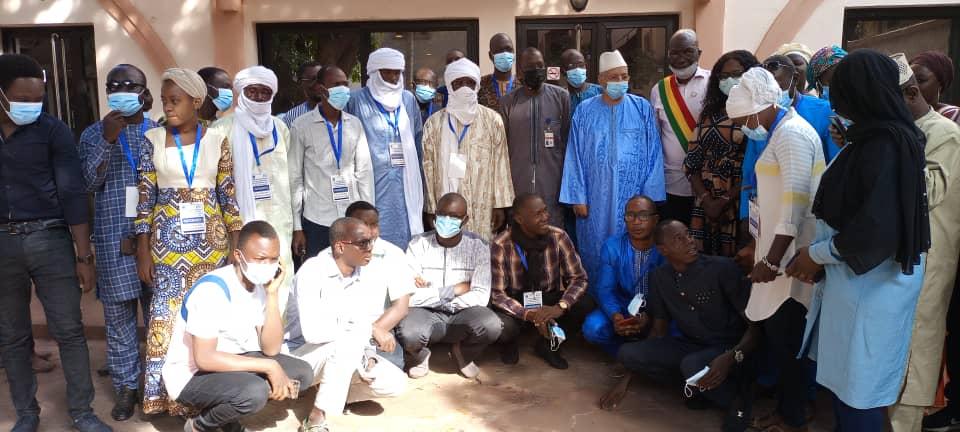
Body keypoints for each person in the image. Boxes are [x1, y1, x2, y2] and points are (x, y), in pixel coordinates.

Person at [786, 49, 930, 431]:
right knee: (847, 388)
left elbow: (876, 228)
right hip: (856, 281)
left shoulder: (885, 145)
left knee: (859, 394)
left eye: (840, 89)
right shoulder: (871, 140)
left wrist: (817, 255)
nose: (833, 100)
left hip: (872, 286)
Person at [0, 53, 112, 432]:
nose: (32, 106)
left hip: (50, 239)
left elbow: (73, 194)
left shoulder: (54, 131)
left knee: (69, 330)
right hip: (2, 246)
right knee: (13, 337)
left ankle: (83, 412)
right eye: (23, 99)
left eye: (38, 99)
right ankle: (27, 414)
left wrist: (84, 256)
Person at [136, 67, 244, 415]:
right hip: (166, 247)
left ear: (196, 102)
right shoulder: (151, 140)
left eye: (175, 100)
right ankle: (166, 398)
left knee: (207, 319)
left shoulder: (217, 140)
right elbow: (144, 201)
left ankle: (208, 396)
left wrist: (236, 244)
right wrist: (142, 250)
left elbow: (228, 197)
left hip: (212, 246)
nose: (167, 107)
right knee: (166, 318)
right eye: (164, 100)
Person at [727, 66, 823, 432]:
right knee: (779, 340)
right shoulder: (780, 132)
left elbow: (795, 205)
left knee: (788, 343)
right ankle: (785, 411)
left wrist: (770, 260)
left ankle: (793, 418)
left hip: (789, 261)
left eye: (743, 120)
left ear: (759, 108)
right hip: (776, 253)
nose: (743, 127)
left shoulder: (792, 135)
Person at [600, 220, 758, 432]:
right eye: (678, 239)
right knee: (627, 353)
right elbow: (659, 330)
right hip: (691, 346)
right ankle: (700, 388)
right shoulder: (660, 277)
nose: (689, 241)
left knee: (691, 365)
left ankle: (737, 401)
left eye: (688, 235)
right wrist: (626, 379)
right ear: (663, 250)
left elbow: (755, 328)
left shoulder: (722, 268)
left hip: (729, 348)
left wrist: (731, 357)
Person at [163, 221, 313, 432]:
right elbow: (204, 358)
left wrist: (272, 295)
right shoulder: (212, 290)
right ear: (238, 255)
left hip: (234, 360)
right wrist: (269, 367)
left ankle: (228, 416)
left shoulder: (261, 286)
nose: (268, 265)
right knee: (255, 392)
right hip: (192, 375)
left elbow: (271, 349)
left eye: (273, 259)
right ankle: (199, 425)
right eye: (260, 259)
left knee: (302, 373)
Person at [78, 63, 157, 422]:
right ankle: (127, 386)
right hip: (114, 242)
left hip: (155, 242)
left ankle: (158, 385)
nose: (122, 91)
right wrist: (107, 141)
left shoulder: (159, 132)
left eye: (130, 86)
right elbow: (86, 184)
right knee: (119, 318)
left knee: (159, 316)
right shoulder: (93, 134)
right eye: (115, 87)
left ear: (144, 92)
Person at [887, 53, 960, 432]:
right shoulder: (903, 130)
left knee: (918, 343)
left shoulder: (943, 133)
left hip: (929, 260)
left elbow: (926, 192)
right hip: (902, 259)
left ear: (911, 94)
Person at [285, 217, 409, 432]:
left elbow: (360, 321)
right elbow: (314, 333)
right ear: (340, 247)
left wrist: (368, 355)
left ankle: (330, 390)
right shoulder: (312, 272)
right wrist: (370, 330)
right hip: (298, 357)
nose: (370, 248)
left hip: (341, 354)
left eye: (371, 241)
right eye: (363, 243)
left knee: (394, 383)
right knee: (345, 344)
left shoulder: (364, 275)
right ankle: (315, 419)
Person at [560, 49, 665, 283]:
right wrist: (577, 197)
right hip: (595, 198)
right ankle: (597, 297)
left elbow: (654, 153)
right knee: (595, 249)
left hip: (634, 197)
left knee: (634, 248)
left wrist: (649, 198)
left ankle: (636, 298)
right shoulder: (584, 111)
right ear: (601, 80)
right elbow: (574, 154)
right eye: (614, 77)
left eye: (624, 76)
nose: (620, 81)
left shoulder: (642, 108)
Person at [214, 66, 295, 308]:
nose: (259, 97)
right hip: (238, 223)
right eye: (252, 91)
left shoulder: (280, 128)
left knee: (280, 281)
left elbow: (290, 177)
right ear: (241, 92)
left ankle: (277, 327)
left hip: (278, 221)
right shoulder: (221, 129)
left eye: (265, 92)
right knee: (242, 283)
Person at [397, 193, 501, 380]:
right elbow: (409, 296)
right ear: (434, 216)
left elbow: (480, 295)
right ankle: (420, 356)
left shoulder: (479, 246)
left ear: (465, 220)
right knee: (409, 332)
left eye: (454, 216)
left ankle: (463, 353)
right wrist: (452, 291)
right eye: (442, 214)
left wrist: (439, 298)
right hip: (424, 312)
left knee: (491, 325)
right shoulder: (418, 244)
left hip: (462, 312)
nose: (447, 220)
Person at [490, 194, 589, 369]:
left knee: (586, 304)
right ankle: (510, 342)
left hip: (548, 299)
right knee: (502, 325)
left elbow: (579, 278)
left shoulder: (559, 236)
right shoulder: (501, 244)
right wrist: (529, 314)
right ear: (519, 219)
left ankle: (547, 345)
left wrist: (560, 307)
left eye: (545, 211)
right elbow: (498, 294)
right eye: (538, 214)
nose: (546, 217)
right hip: (517, 301)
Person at [421, 58, 514, 240]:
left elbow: (501, 164)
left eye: (470, 83)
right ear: (450, 86)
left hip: (483, 205)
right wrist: (431, 207)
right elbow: (428, 168)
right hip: (446, 204)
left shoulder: (492, 120)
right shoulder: (434, 124)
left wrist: (500, 205)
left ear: (477, 86)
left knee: (482, 247)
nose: (465, 88)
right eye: (459, 83)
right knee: (449, 246)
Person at [290, 65, 374, 258]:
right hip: (317, 219)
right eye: (336, 85)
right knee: (319, 271)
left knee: (352, 267)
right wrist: (297, 227)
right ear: (321, 89)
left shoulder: (355, 124)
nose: (343, 89)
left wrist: (368, 218)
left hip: (351, 218)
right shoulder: (301, 126)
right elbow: (295, 177)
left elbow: (364, 172)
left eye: (345, 84)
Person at [346, 48, 425, 249]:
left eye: (397, 72)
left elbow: (417, 141)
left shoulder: (408, 99)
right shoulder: (356, 100)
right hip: (371, 183)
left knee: (406, 238)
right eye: (386, 72)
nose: (392, 77)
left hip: (405, 183)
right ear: (374, 72)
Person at [684, 50, 758, 257]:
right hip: (705, 201)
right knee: (704, 262)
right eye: (723, 76)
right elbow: (692, 163)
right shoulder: (708, 114)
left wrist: (723, 201)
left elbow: (755, 166)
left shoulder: (758, 114)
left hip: (739, 200)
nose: (729, 80)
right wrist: (708, 201)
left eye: (736, 74)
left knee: (736, 262)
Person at [582, 196, 664, 357]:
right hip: (622, 305)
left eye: (643, 216)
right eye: (630, 215)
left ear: (655, 220)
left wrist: (650, 315)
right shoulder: (613, 246)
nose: (636, 222)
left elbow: (670, 292)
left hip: (658, 311)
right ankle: (625, 353)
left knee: (679, 330)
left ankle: (639, 351)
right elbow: (605, 289)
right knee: (593, 328)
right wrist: (616, 317)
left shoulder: (664, 247)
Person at [500, 47, 571, 229]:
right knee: (520, 230)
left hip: (552, 182)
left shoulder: (561, 97)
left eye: (540, 66)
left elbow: (567, 141)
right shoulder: (508, 102)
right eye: (530, 67)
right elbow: (502, 149)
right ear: (520, 71)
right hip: (518, 182)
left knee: (551, 231)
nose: (537, 70)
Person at [344, 200, 416, 369]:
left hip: (381, 328)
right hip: (343, 331)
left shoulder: (393, 254)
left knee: (390, 368)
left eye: (374, 225)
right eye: (363, 224)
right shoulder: (335, 254)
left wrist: (373, 332)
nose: (370, 231)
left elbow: (400, 307)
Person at [649, 29, 710, 225]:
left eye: (687, 51)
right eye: (675, 53)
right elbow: (655, 136)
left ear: (699, 53)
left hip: (708, 183)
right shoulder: (659, 90)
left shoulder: (713, 83)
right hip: (672, 184)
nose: (681, 58)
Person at [911, 51, 960, 123]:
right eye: (910, 80)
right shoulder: (904, 114)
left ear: (940, 84)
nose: (913, 86)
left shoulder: (953, 115)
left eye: (920, 80)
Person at [478, 33, 521, 111]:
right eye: (499, 51)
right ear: (490, 56)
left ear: (514, 53)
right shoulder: (480, 85)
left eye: (509, 49)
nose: (505, 54)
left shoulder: (523, 85)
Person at [281, 61, 324, 127]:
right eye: (312, 79)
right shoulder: (291, 117)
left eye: (321, 79)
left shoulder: (339, 111)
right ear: (300, 83)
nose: (318, 84)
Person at [561, 48, 603, 113]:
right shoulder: (560, 97)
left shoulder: (600, 92)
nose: (578, 69)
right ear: (563, 71)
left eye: (581, 65)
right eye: (572, 66)